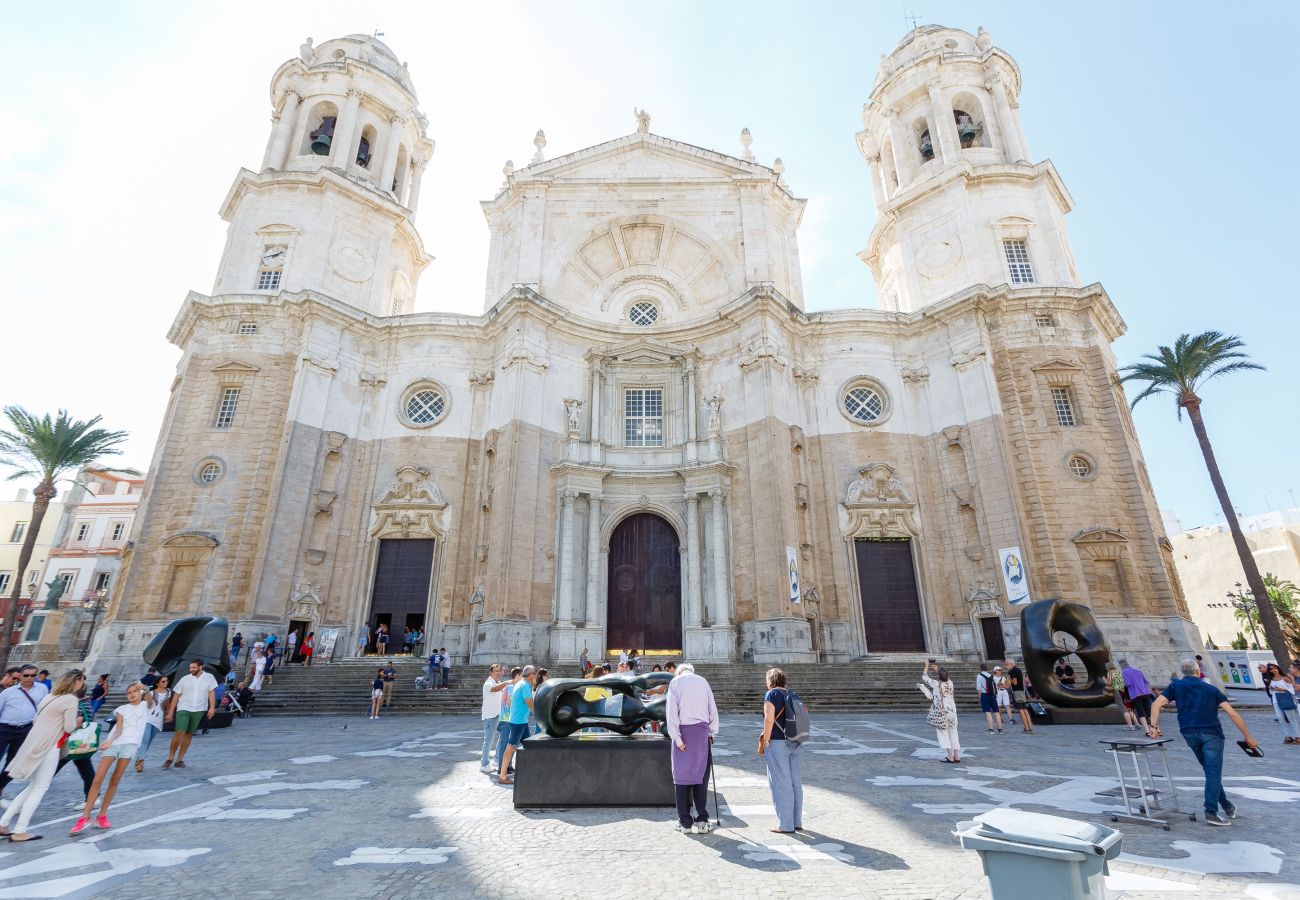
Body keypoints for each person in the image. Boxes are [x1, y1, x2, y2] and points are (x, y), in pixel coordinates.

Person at [1148, 659, 1258, 826]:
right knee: (1213, 772)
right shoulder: (1211, 689)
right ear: (1197, 671)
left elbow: (1156, 705)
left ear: (1183, 672)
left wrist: (1154, 727)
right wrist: (1248, 736)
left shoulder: (1175, 687)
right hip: (1211, 733)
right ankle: (1211, 812)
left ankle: (1228, 807)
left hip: (1189, 733)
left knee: (1210, 772)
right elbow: (1232, 713)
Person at [1, 669, 84, 842]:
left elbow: (36, 720)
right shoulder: (70, 699)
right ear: (76, 682)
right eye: (81, 680)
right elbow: (69, 727)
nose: (82, 684)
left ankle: (3, 823)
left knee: (32, 786)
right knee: (40, 788)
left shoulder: (50, 696)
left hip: (34, 743)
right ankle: (20, 830)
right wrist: (77, 722)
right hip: (49, 746)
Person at [70, 682, 153, 834]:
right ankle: (85, 817)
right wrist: (109, 741)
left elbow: (150, 700)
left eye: (135, 691)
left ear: (140, 693)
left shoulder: (145, 706)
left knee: (115, 779)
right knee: (97, 779)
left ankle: (101, 816)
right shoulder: (121, 709)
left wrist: (143, 688)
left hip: (131, 745)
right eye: (129, 692)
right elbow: (119, 728)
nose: (132, 694)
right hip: (114, 743)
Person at [666, 662, 719, 834]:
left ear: (679, 672)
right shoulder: (703, 681)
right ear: (692, 671)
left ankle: (685, 823)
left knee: (681, 778)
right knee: (701, 777)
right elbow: (713, 709)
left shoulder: (675, 683)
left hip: (683, 732)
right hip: (702, 733)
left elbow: (671, 712)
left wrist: (677, 737)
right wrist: (711, 732)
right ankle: (702, 821)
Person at [758, 667, 802, 834]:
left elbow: (769, 719)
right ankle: (796, 821)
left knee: (780, 783)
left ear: (771, 681)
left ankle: (785, 824)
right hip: (795, 742)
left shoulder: (771, 695)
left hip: (777, 742)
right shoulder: (792, 694)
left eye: (766, 679)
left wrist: (766, 740)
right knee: (794, 782)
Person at [0, 665, 49, 805]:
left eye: (33, 675)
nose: (30, 678)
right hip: (4, 728)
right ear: (20, 676)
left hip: (25, 729)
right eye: (26, 675)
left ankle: (1, 785)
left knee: (14, 762)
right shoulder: (7, 693)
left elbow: (44, 708)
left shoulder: (42, 689)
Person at [162, 660, 217, 769]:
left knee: (189, 734)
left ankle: (180, 760)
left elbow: (211, 692)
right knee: (180, 731)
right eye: (190, 668)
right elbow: (176, 696)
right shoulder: (184, 679)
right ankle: (170, 757)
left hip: (200, 709)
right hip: (184, 708)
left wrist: (212, 707)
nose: (191, 669)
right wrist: (171, 712)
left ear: (200, 667)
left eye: (193, 668)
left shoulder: (209, 677)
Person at [497, 666, 536, 785]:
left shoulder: (522, 683)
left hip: (522, 721)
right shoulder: (524, 685)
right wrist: (538, 715)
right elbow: (529, 701)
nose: (535, 675)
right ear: (530, 675)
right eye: (534, 673)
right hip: (518, 721)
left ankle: (528, 771)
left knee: (528, 745)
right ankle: (503, 775)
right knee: (511, 747)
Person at [923, 662, 960, 763]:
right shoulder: (950, 683)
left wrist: (926, 666)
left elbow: (924, 678)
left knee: (943, 733)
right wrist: (938, 670)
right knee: (953, 732)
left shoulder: (936, 684)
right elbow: (944, 677)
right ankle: (956, 756)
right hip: (952, 711)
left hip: (942, 712)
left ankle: (950, 756)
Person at [134, 675, 171, 772]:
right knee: (145, 739)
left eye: (166, 681)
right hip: (147, 718)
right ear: (157, 683)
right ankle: (141, 761)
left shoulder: (168, 692)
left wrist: (169, 714)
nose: (165, 683)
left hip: (158, 720)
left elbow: (167, 705)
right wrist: (146, 692)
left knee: (148, 741)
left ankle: (139, 758)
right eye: (163, 681)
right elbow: (149, 704)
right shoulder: (150, 692)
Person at [480, 664, 505, 772]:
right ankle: (484, 764)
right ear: (491, 672)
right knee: (489, 740)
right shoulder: (488, 683)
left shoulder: (498, 682)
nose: (498, 673)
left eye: (499, 671)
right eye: (495, 671)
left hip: (500, 714)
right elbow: (494, 689)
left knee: (504, 736)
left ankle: (496, 759)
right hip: (490, 716)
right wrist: (507, 682)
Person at [1265, 666, 1299, 743]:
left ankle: (1298, 736)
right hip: (1276, 700)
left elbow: (1292, 690)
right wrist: (1270, 688)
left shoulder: (1285, 678)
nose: (1273, 670)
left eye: (1275, 668)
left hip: (1286, 699)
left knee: (1291, 718)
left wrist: (1282, 689)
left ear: (1278, 669)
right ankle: (1288, 736)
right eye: (1271, 669)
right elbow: (1272, 692)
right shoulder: (1271, 680)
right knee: (1280, 718)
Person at [1120, 659, 1155, 731]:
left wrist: (1123, 683)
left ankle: (1147, 730)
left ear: (1122, 665)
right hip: (1145, 693)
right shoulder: (1138, 670)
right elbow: (1146, 681)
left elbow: (1128, 684)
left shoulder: (1124, 673)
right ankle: (1155, 729)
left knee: (1141, 712)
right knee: (1148, 712)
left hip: (1135, 695)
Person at [1104, 661, 1139, 730]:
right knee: (1128, 709)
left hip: (1117, 692)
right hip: (1123, 692)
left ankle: (1130, 726)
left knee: (1123, 709)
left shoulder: (1110, 673)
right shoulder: (1118, 672)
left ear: (1108, 667)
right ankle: (1137, 724)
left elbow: (1109, 683)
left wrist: (1104, 680)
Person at [1004, 658, 1034, 734]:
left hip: (1017, 692)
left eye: (1006, 665)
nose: (1006, 667)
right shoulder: (1019, 670)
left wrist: (1009, 678)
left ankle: (1026, 728)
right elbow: (1023, 682)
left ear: (1010, 664)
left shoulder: (1013, 671)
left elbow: (1015, 683)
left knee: (1021, 710)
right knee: (1025, 710)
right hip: (1022, 691)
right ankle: (1030, 727)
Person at [977, 664, 1001, 734]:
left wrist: (980, 697)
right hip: (993, 695)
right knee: (996, 712)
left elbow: (979, 688)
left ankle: (991, 730)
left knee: (988, 712)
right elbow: (995, 686)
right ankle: (1000, 730)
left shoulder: (979, 676)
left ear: (980, 669)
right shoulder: (992, 676)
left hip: (985, 695)